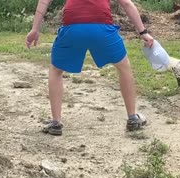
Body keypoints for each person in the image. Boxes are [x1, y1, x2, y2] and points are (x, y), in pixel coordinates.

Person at [25, 0, 154, 136]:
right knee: (123, 67)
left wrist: (35, 29)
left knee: (56, 70)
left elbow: (44, 1)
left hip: (72, 29)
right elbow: (127, 4)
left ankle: (56, 123)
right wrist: (143, 32)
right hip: (102, 29)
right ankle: (132, 118)